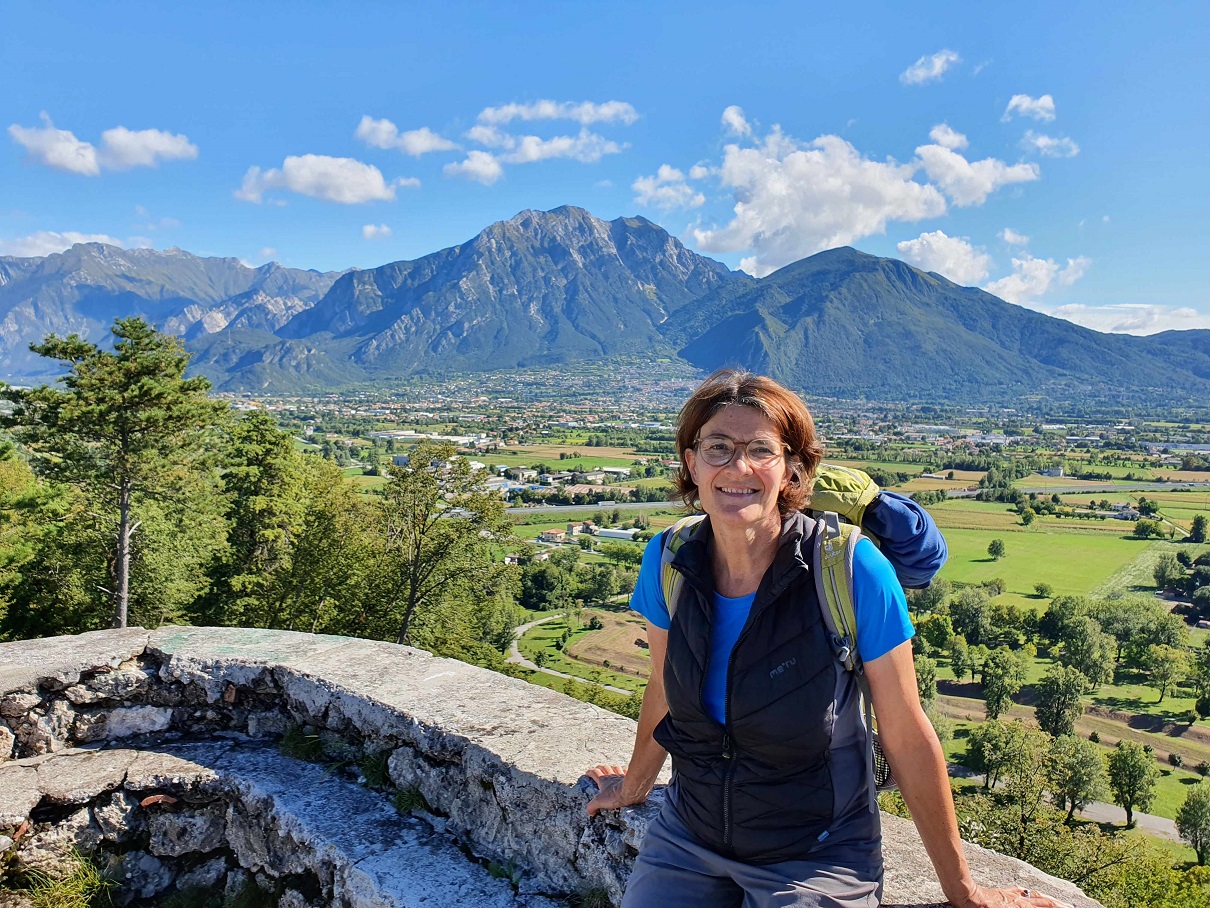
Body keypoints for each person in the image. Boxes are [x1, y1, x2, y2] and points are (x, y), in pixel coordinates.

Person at [585, 369, 1070, 908]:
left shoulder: (850, 568)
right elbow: (664, 688)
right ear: (690, 462)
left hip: (816, 854)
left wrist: (965, 892)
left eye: (760, 450)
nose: (737, 467)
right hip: (688, 834)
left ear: (793, 468)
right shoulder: (670, 559)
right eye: (718, 447)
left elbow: (906, 734)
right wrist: (632, 789)